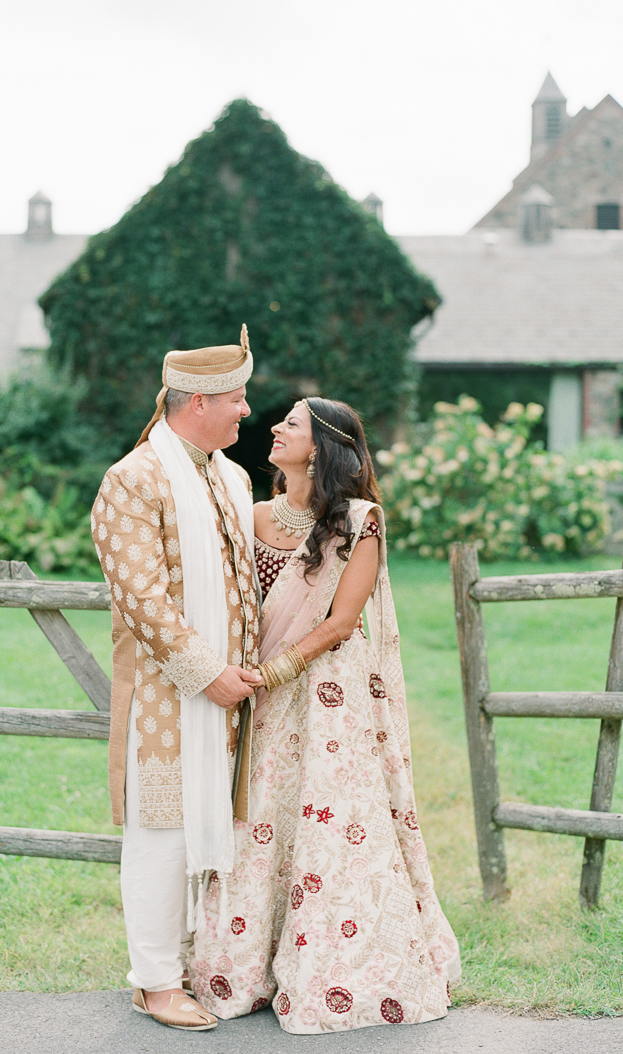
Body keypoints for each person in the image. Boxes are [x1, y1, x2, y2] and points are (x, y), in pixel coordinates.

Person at [189, 397, 461, 1034]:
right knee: (261, 817)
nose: (276, 427)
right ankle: (249, 961)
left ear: (320, 447)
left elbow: (342, 620)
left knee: (331, 819)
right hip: (258, 688)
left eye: (292, 423)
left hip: (325, 694)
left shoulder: (358, 522)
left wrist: (277, 671)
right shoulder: (251, 515)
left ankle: (336, 964)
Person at [90, 326, 262, 1032]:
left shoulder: (231, 475)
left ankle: (205, 963)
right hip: (166, 699)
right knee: (161, 833)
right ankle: (155, 983)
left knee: (215, 824)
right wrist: (207, 675)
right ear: (199, 402)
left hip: (228, 698)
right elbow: (143, 600)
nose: (248, 410)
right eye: (239, 397)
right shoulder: (132, 480)